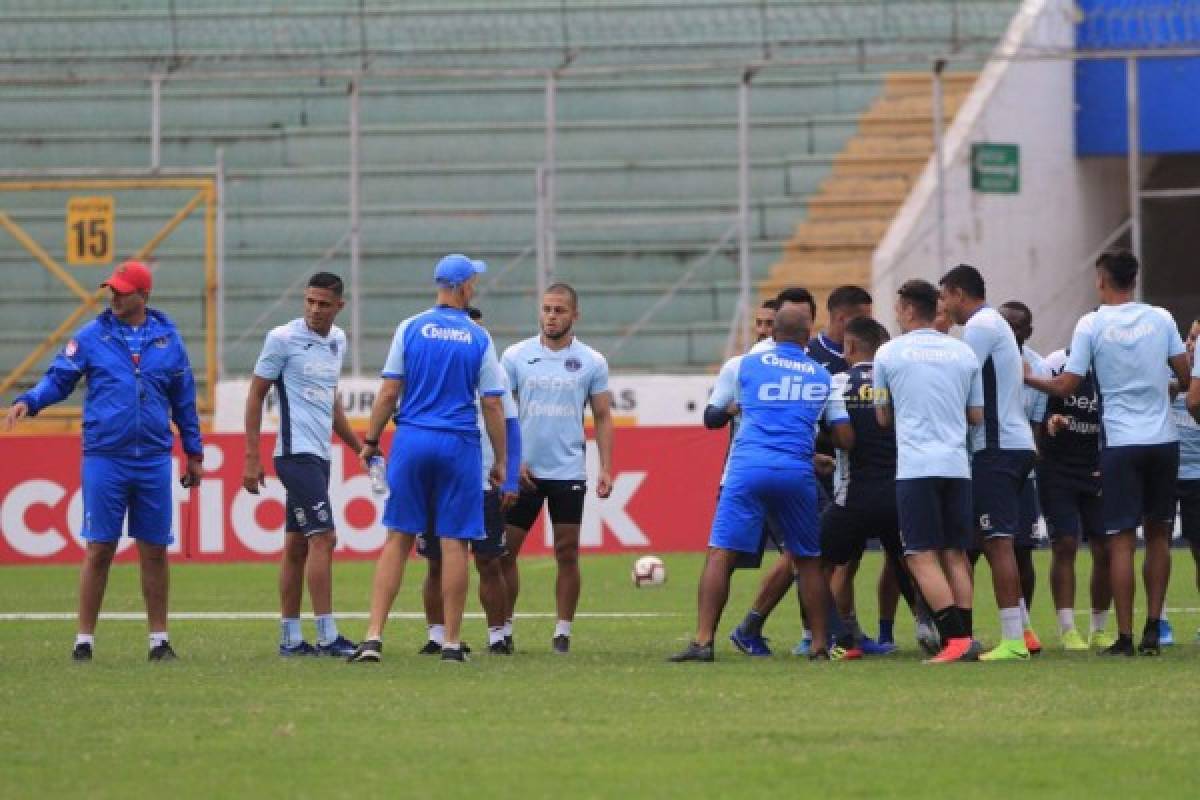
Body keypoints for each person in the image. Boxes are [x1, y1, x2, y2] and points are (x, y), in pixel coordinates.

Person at [3, 259, 203, 662]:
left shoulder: (169, 339)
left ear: (142, 296)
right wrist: (30, 401)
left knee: (154, 549)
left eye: (121, 290)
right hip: (105, 457)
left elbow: (184, 401)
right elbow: (60, 378)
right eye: (111, 288)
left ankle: (159, 639)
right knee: (100, 548)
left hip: (152, 459)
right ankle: (84, 640)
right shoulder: (91, 336)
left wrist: (194, 452)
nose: (113, 295)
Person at [348, 254, 508, 664]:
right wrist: (501, 459)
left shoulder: (410, 327)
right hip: (457, 444)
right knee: (455, 543)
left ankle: (372, 637)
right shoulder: (478, 337)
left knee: (398, 539)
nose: (475, 286)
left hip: (413, 438)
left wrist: (369, 440)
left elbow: (387, 392)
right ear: (463, 286)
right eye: (473, 280)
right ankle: (452, 643)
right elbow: (492, 403)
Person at [670, 306, 854, 662]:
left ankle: (703, 641)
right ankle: (819, 644)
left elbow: (714, 413)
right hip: (795, 472)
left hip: (746, 468)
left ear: (773, 335)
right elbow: (845, 437)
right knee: (808, 560)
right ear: (807, 337)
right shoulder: (821, 376)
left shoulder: (741, 365)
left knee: (720, 554)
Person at [1030, 250, 1190, 656]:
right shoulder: (1161, 318)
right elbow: (1185, 375)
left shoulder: (1092, 323)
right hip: (1163, 440)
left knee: (1120, 540)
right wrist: (1160, 386)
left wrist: (1030, 379)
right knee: (1158, 536)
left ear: (1101, 280)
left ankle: (1124, 635)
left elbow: (1067, 385)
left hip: (1119, 442)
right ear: (1135, 279)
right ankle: (1154, 628)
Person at [243, 272, 361, 658]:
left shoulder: (338, 341)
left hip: (320, 455)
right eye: (309, 301)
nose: (314, 309)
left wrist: (361, 446)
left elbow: (331, 403)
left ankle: (291, 638)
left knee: (296, 546)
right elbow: (256, 393)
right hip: (294, 454)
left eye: (323, 303)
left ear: (338, 306)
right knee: (324, 538)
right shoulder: (282, 339)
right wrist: (251, 455)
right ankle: (327, 636)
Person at [874, 279, 984, 664]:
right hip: (957, 465)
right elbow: (976, 416)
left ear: (907, 310)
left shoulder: (887, 355)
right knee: (956, 553)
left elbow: (882, 416)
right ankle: (966, 637)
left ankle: (954, 640)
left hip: (916, 467)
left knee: (920, 555)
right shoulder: (964, 353)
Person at [501, 283, 614, 654]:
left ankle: (563, 631)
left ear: (574, 315)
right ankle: (503, 627)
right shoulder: (516, 356)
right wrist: (509, 461)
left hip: (568, 471)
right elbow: (501, 411)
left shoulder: (592, 361)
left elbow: (601, 415)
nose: (551, 316)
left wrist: (606, 467)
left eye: (559, 310)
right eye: (547, 309)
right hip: (525, 472)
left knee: (567, 552)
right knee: (505, 552)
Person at [939, 265, 1037, 661]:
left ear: (960, 294)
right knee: (992, 540)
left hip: (996, 447)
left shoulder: (980, 326)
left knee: (998, 543)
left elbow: (958, 378)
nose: (944, 307)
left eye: (945, 297)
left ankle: (1012, 641)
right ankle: (1026, 632)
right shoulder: (993, 323)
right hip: (1013, 443)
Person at [818, 316, 931, 654]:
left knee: (817, 567)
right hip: (901, 493)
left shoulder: (836, 383)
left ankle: (841, 638)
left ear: (848, 347)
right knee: (915, 563)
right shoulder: (898, 383)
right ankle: (931, 626)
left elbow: (829, 432)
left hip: (853, 496)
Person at [416, 306, 522, 656]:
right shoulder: (436, 373)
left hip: (483, 479)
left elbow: (511, 426)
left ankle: (497, 636)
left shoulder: (496, 378)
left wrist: (508, 477)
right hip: (439, 477)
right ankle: (437, 635)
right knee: (436, 560)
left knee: (488, 560)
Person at [1036, 343, 1112, 650]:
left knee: (1105, 548)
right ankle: (1068, 629)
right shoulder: (1057, 361)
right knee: (1064, 544)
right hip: (1058, 468)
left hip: (1097, 468)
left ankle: (1099, 628)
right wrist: (1051, 422)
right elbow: (1040, 408)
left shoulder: (1113, 368)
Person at [996, 300, 1047, 654]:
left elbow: (1037, 427)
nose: (1010, 331)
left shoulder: (1038, 366)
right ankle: (956, 630)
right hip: (982, 466)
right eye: (1005, 324)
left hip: (1021, 474)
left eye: (1017, 326)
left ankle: (1024, 629)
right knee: (969, 550)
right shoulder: (983, 357)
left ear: (1028, 331)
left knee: (1022, 550)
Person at [1175, 319, 1200, 643]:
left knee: (1198, 551)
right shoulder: (1169, 376)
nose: (1191, 343)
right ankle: (1160, 620)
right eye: (1189, 337)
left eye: (1196, 338)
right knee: (1156, 548)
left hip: (1197, 476)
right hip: (1166, 473)